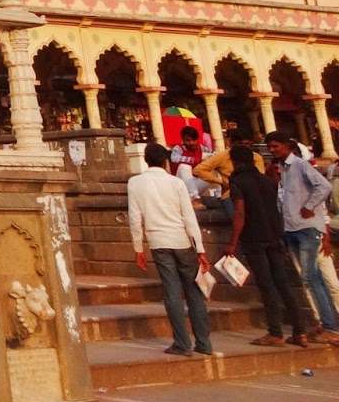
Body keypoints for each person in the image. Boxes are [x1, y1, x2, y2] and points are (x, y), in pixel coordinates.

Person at [223, 143, 317, 346]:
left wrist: (233, 242)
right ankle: (299, 331)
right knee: (283, 284)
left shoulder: (238, 181)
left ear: (234, 161)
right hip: (275, 236)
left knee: (267, 285)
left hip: (254, 238)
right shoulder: (267, 181)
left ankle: (275, 332)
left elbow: (239, 212)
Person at [127, 141, 211, 356]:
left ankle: (182, 343)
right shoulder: (176, 183)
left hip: (158, 242)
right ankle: (204, 343)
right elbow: (189, 217)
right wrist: (200, 249)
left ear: (146, 160)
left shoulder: (135, 183)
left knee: (172, 292)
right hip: (182, 240)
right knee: (194, 292)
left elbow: (135, 219)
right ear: (165, 160)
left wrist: (138, 249)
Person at [265, 131, 339, 335]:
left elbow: (323, 186)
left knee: (314, 278)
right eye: (270, 147)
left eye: (275, 146)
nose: (272, 150)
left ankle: (331, 325)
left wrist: (310, 205)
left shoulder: (299, 165)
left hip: (307, 229)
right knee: (308, 279)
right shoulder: (281, 170)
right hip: (292, 229)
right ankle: (325, 322)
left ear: (287, 146)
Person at [170, 125, 207, 198]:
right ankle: (194, 197)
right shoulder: (178, 148)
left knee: (213, 168)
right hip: (180, 183)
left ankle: (219, 196)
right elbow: (173, 158)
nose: (192, 143)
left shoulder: (201, 147)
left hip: (194, 182)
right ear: (183, 140)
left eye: (194, 140)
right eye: (188, 140)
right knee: (184, 167)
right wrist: (191, 160)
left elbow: (210, 155)